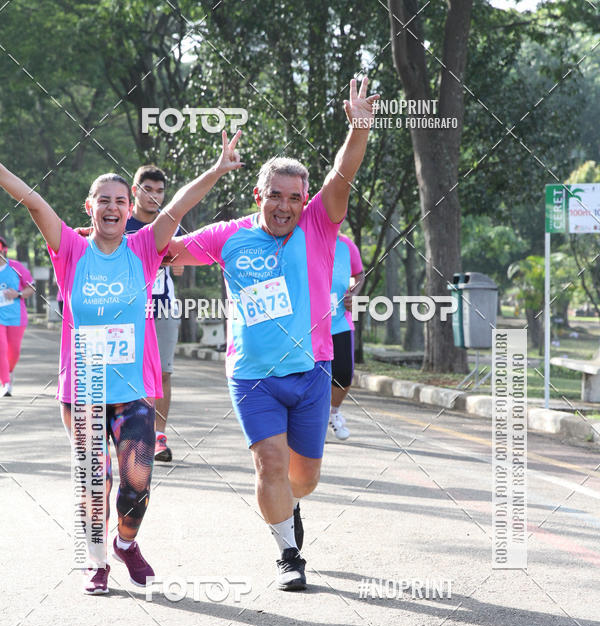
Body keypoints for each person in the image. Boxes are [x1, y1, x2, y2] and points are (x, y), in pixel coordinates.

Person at [0, 131, 242, 594]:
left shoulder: (144, 249)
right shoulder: (70, 249)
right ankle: (96, 563)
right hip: (84, 392)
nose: (112, 207)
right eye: (102, 200)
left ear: (130, 209)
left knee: (136, 483)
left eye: (120, 201)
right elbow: (33, 201)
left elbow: (178, 209)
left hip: (132, 391)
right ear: (89, 208)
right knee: (96, 482)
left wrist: (215, 169)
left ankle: (125, 543)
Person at [168, 78, 378, 591]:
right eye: (275, 196)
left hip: (312, 373)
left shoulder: (319, 225)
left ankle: (292, 509)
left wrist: (359, 128)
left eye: (294, 198)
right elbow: (162, 244)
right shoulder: (228, 236)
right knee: (270, 464)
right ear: (259, 194)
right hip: (252, 376)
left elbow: (343, 172)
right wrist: (110, 236)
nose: (284, 206)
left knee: (302, 477)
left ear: (305, 200)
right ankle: (288, 553)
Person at [126, 165, 184, 462]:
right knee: (130, 372)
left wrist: (179, 265)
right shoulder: (119, 222)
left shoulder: (168, 224)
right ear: (135, 191)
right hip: (125, 309)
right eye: (148, 189)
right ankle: (132, 433)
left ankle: (159, 437)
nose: (155, 196)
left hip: (163, 306)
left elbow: (183, 258)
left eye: (160, 191)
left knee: (162, 372)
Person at [328, 233, 364, 440]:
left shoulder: (347, 245)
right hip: (307, 322)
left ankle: (333, 412)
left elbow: (360, 275)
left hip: (339, 320)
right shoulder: (302, 239)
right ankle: (313, 419)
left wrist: (354, 294)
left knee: (343, 374)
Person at [0, 236, 35, 396]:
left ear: (3, 249)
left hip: (16, 317)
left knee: (13, 351)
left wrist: (18, 293)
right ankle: (6, 383)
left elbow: (31, 288)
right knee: (1, 349)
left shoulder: (15, 267)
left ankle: (9, 370)